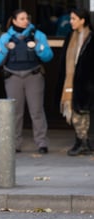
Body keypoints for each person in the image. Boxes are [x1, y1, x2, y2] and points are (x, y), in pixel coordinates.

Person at [0, 9, 53, 154]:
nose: (26, 21)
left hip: (33, 75)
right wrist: (5, 49)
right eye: (22, 18)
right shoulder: (6, 37)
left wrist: (38, 46)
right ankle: (15, 143)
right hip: (13, 77)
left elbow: (48, 56)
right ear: (14, 21)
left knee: (36, 111)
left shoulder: (38, 35)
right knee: (15, 112)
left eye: (27, 18)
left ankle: (42, 143)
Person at [56, 8, 94, 156]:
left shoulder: (90, 38)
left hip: (86, 83)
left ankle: (82, 142)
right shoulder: (70, 36)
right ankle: (82, 141)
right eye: (71, 18)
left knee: (81, 112)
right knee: (75, 111)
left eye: (74, 19)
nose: (71, 22)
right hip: (71, 81)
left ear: (82, 20)